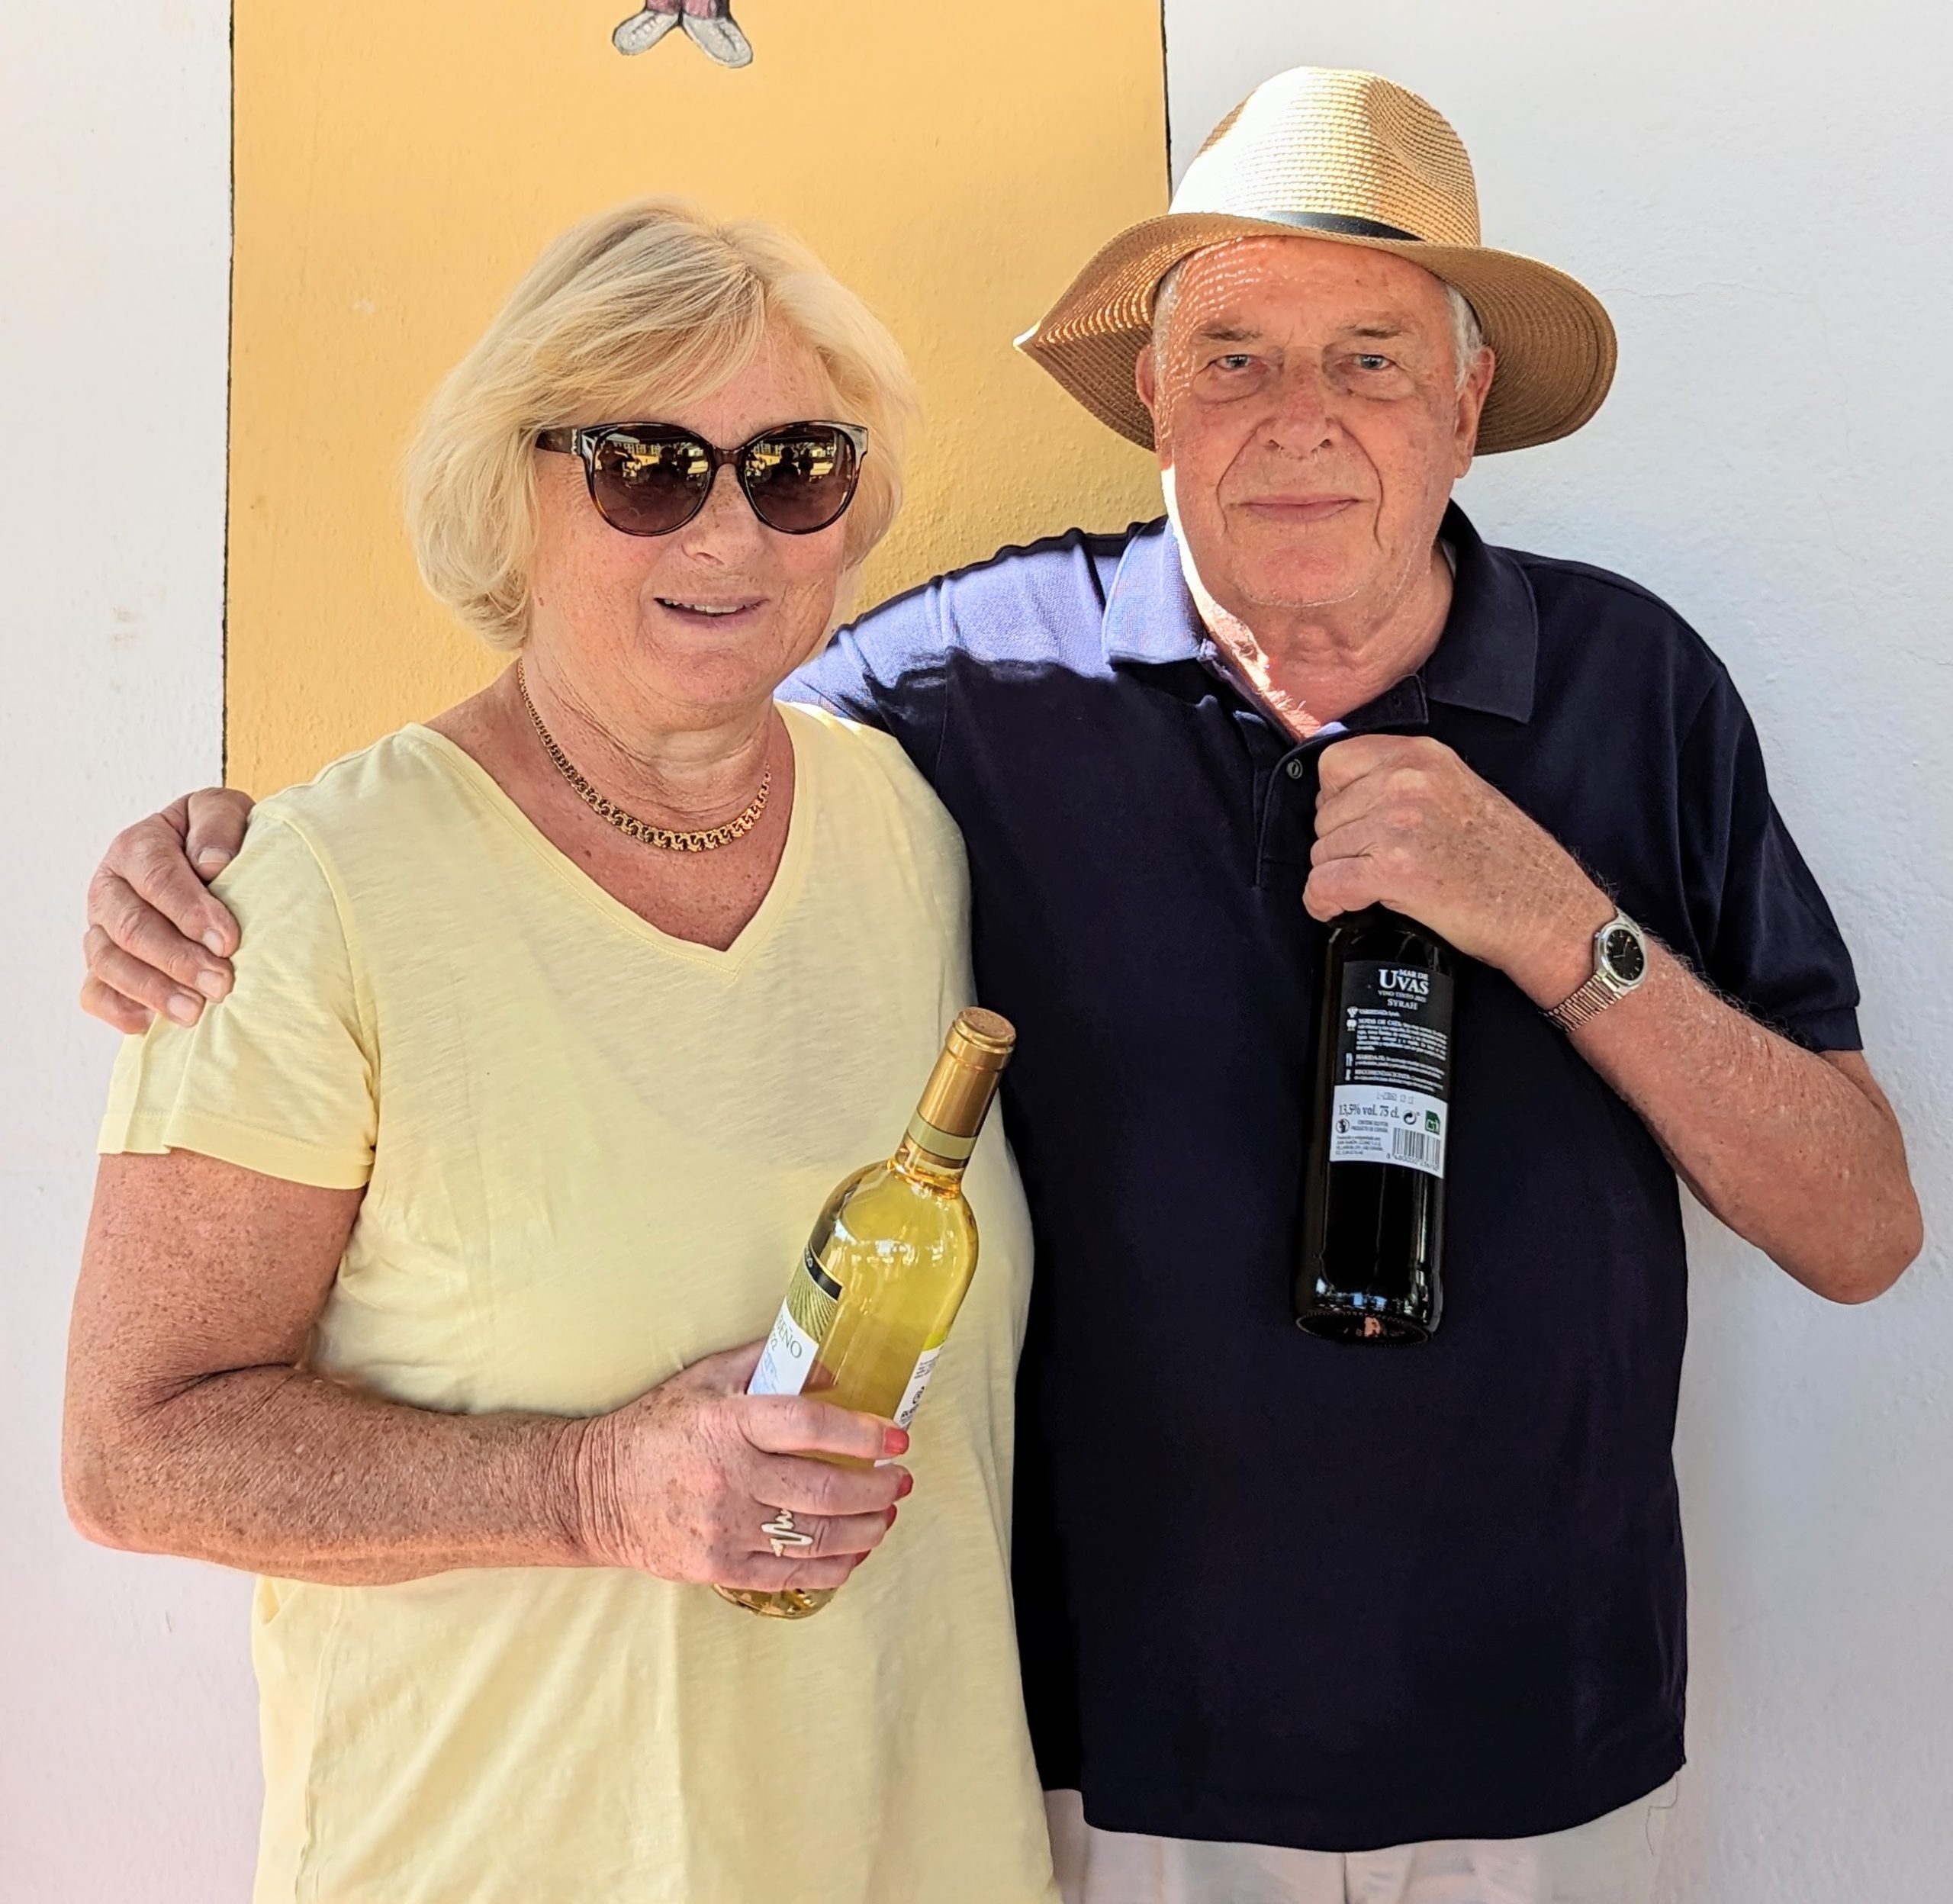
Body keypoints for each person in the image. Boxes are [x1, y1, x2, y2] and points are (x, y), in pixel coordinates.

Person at [82, 67, 1922, 1904]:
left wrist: (1565, 929)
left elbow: (1855, 1229)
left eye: (1367, 359)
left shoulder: (1634, 684)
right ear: (1152, 401)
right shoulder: (964, 696)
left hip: (1545, 1751)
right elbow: (624, 734)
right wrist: (233, 850)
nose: (1295, 418)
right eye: (1231, 357)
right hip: (1100, 1779)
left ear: (1464, 403)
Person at [63, 200, 1057, 1904]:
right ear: (507, 492)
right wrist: (592, 1489)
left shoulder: (910, 826)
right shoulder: (309, 896)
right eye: (645, 468)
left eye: (795, 468)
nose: (729, 529)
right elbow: (132, 1454)